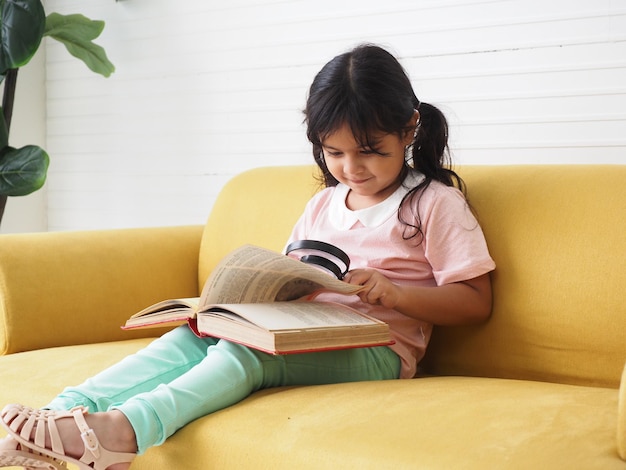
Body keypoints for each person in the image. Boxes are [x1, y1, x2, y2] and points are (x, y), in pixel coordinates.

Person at [0, 44, 495, 470]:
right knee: (189, 339)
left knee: (245, 354)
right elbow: (292, 274)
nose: (351, 168)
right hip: (304, 333)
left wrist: (396, 293)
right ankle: (54, 418)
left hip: (378, 351)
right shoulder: (322, 203)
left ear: (409, 130)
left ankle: (123, 433)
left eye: (369, 150)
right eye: (334, 153)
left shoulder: (433, 203)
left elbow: (476, 302)